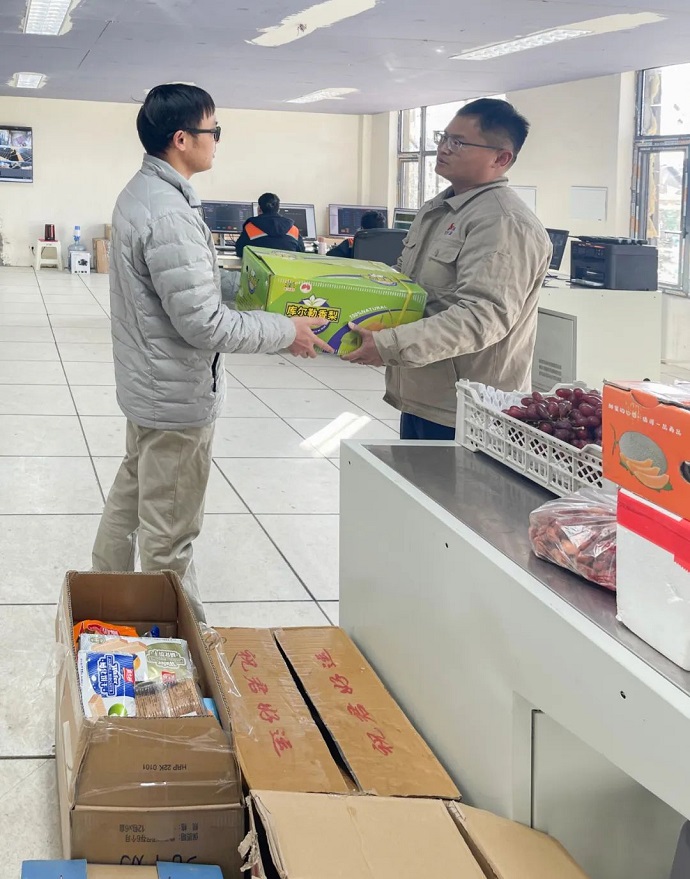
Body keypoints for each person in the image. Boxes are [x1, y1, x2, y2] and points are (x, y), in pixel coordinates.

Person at [91, 84, 331, 621]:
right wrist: (284, 331)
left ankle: (104, 604)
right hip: (176, 397)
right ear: (182, 139)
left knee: (130, 499)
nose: (217, 141)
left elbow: (180, 290)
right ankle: (177, 645)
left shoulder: (144, 192)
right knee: (169, 533)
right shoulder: (170, 213)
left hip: (149, 384)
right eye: (213, 130)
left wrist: (245, 290)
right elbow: (202, 325)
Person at [343, 98, 551, 441]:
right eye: (443, 137)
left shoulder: (503, 222)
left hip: (471, 408)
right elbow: (406, 285)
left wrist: (390, 345)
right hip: (424, 392)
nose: (443, 148)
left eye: (459, 142)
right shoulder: (440, 209)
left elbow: (483, 317)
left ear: (501, 158)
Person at [234, 192, 305, 257]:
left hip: (261, 267)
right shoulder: (293, 229)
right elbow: (301, 252)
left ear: (259, 209)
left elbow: (240, 251)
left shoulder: (250, 227)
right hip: (287, 266)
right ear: (278, 209)